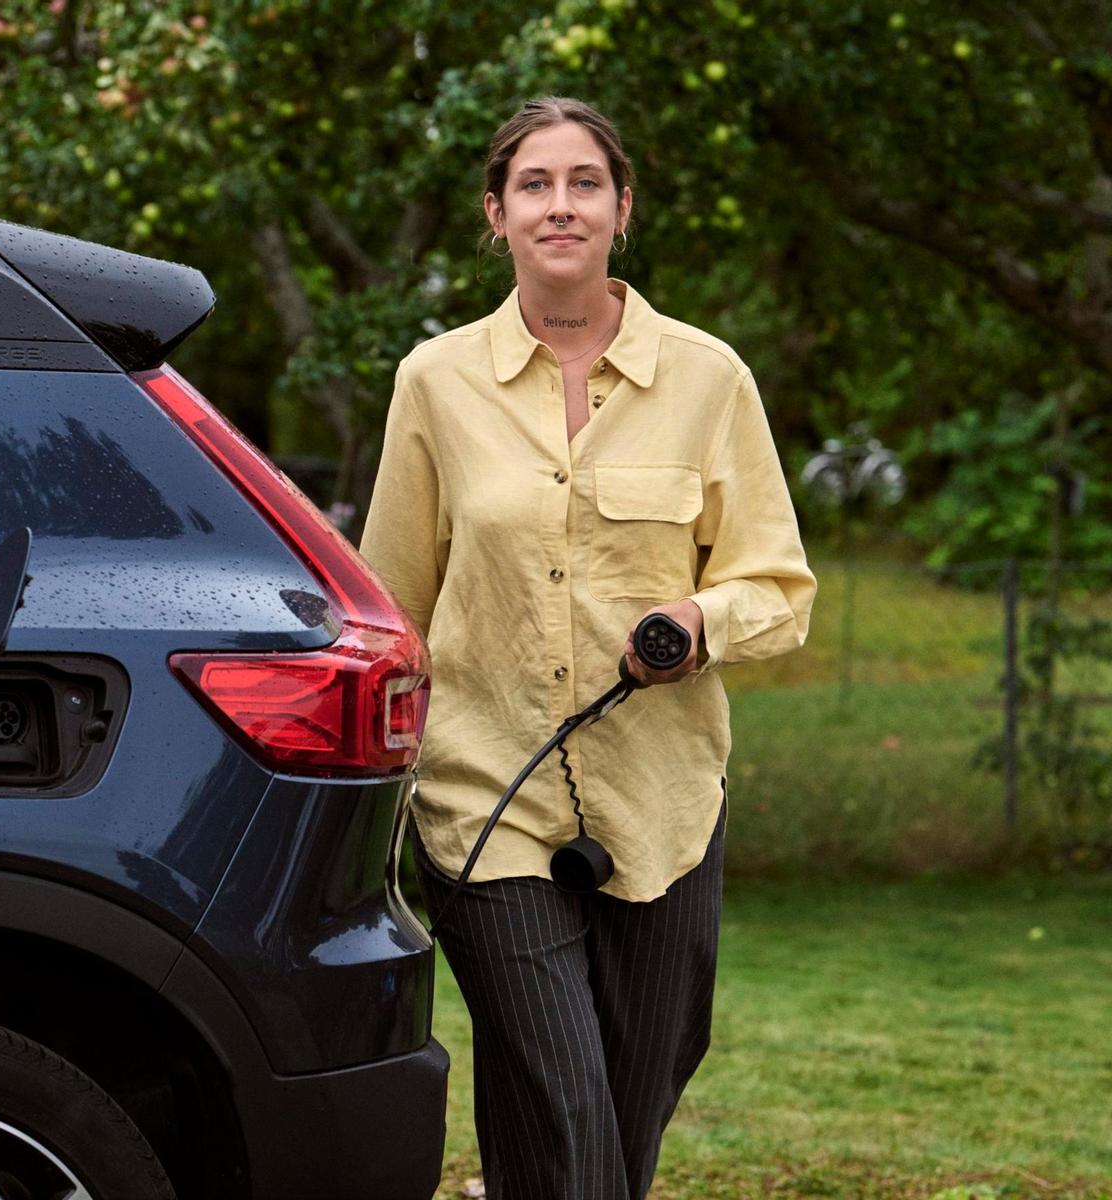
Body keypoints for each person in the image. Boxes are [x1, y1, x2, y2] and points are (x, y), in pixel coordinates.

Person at [358, 96, 816, 1200]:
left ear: (621, 211)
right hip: (485, 794)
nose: (558, 205)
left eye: (583, 184)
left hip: (661, 798)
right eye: (533, 185)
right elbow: (389, 602)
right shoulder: (435, 381)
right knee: (562, 1099)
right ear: (495, 214)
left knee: (631, 1086)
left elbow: (777, 584)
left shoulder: (710, 379)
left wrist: (699, 624)